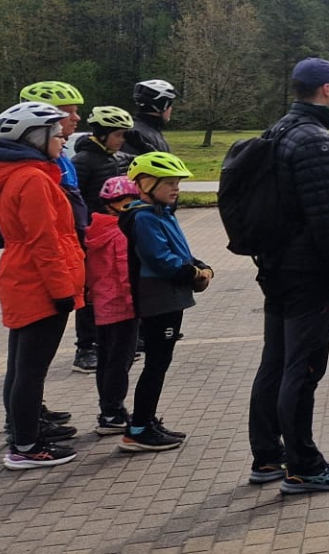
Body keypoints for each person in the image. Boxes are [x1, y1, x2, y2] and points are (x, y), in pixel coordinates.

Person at [248, 57, 329, 494]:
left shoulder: (278, 131)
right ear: (326, 89)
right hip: (307, 273)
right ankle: (303, 465)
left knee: (276, 362)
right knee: (303, 368)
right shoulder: (317, 141)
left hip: (276, 266)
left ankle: (267, 455)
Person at [0, 101, 86, 469]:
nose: (64, 140)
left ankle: (23, 436)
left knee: (21, 366)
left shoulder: (18, 173)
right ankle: (27, 447)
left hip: (23, 276)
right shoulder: (32, 179)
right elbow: (45, 241)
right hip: (38, 282)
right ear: (34, 137)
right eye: (57, 134)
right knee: (30, 369)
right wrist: (63, 291)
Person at [119, 151, 210, 453]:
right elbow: (160, 259)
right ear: (146, 183)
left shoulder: (161, 213)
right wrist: (193, 273)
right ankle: (139, 429)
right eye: (169, 183)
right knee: (156, 364)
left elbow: (179, 251)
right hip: (158, 298)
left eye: (177, 183)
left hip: (169, 297)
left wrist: (200, 264)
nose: (176, 188)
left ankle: (145, 421)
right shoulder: (144, 217)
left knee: (160, 362)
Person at [19, 82, 93, 372]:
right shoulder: (36, 170)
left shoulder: (60, 157)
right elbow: (44, 234)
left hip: (68, 255)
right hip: (46, 269)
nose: (76, 118)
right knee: (30, 363)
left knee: (31, 364)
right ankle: (86, 348)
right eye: (67, 112)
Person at [69, 104, 133, 375]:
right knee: (91, 293)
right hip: (93, 237)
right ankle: (85, 348)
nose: (122, 140)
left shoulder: (118, 158)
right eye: (118, 134)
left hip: (117, 234)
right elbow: (74, 200)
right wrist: (84, 230)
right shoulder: (83, 161)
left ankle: (115, 341)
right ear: (102, 134)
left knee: (115, 288)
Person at [86, 176, 141, 438]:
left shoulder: (95, 229)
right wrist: (136, 304)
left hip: (102, 305)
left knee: (106, 360)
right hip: (122, 307)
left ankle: (107, 409)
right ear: (114, 205)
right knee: (120, 361)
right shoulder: (120, 234)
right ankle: (113, 412)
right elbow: (125, 273)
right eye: (129, 202)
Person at [123, 79, 176, 156]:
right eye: (170, 105)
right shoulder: (139, 136)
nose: (171, 109)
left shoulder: (136, 130)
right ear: (162, 106)